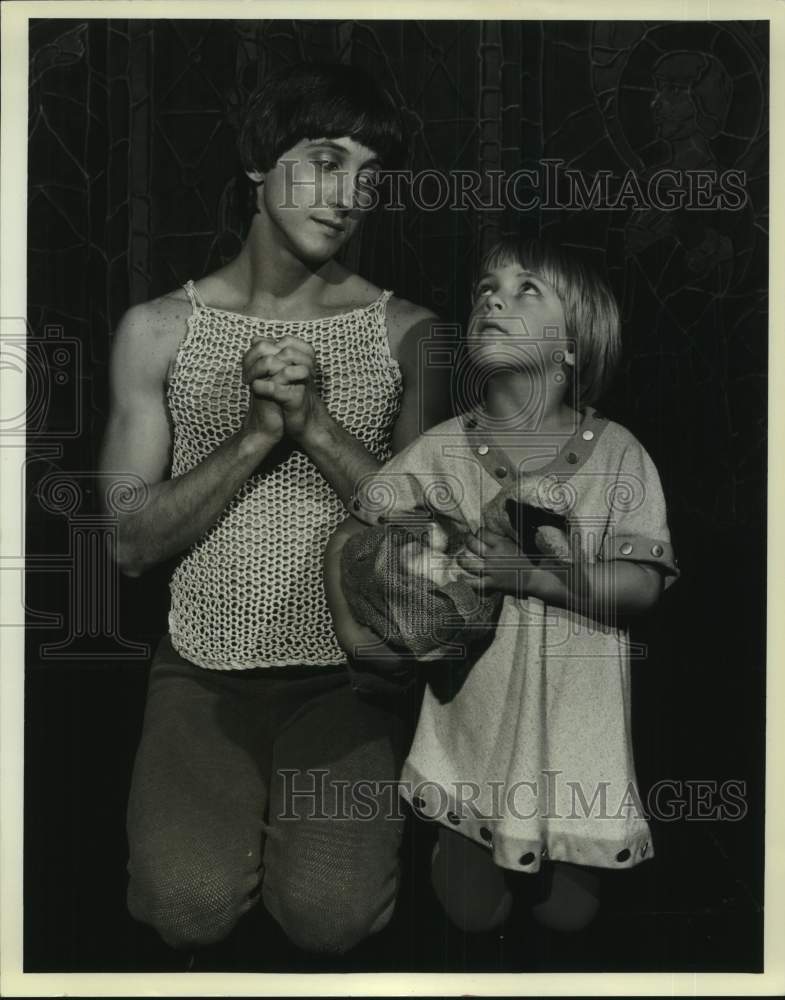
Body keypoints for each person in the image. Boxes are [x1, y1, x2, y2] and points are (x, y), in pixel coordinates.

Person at [99, 61, 449, 956]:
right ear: (259, 163)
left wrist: (316, 426)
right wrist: (256, 434)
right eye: (325, 162)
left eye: (369, 176)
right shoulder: (157, 330)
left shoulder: (412, 335)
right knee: (185, 906)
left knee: (331, 919)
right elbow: (128, 544)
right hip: (200, 671)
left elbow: (427, 539)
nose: (349, 196)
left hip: (351, 679)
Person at [326, 236, 679, 935]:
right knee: (471, 914)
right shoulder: (442, 448)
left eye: (526, 290)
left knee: (569, 916)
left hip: (576, 721)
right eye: (485, 288)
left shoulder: (619, 455)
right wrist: (360, 627)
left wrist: (534, 577)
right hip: (474, 709)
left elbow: (644, 585)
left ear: (572, 345)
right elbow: (354, 532)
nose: (493, 299)